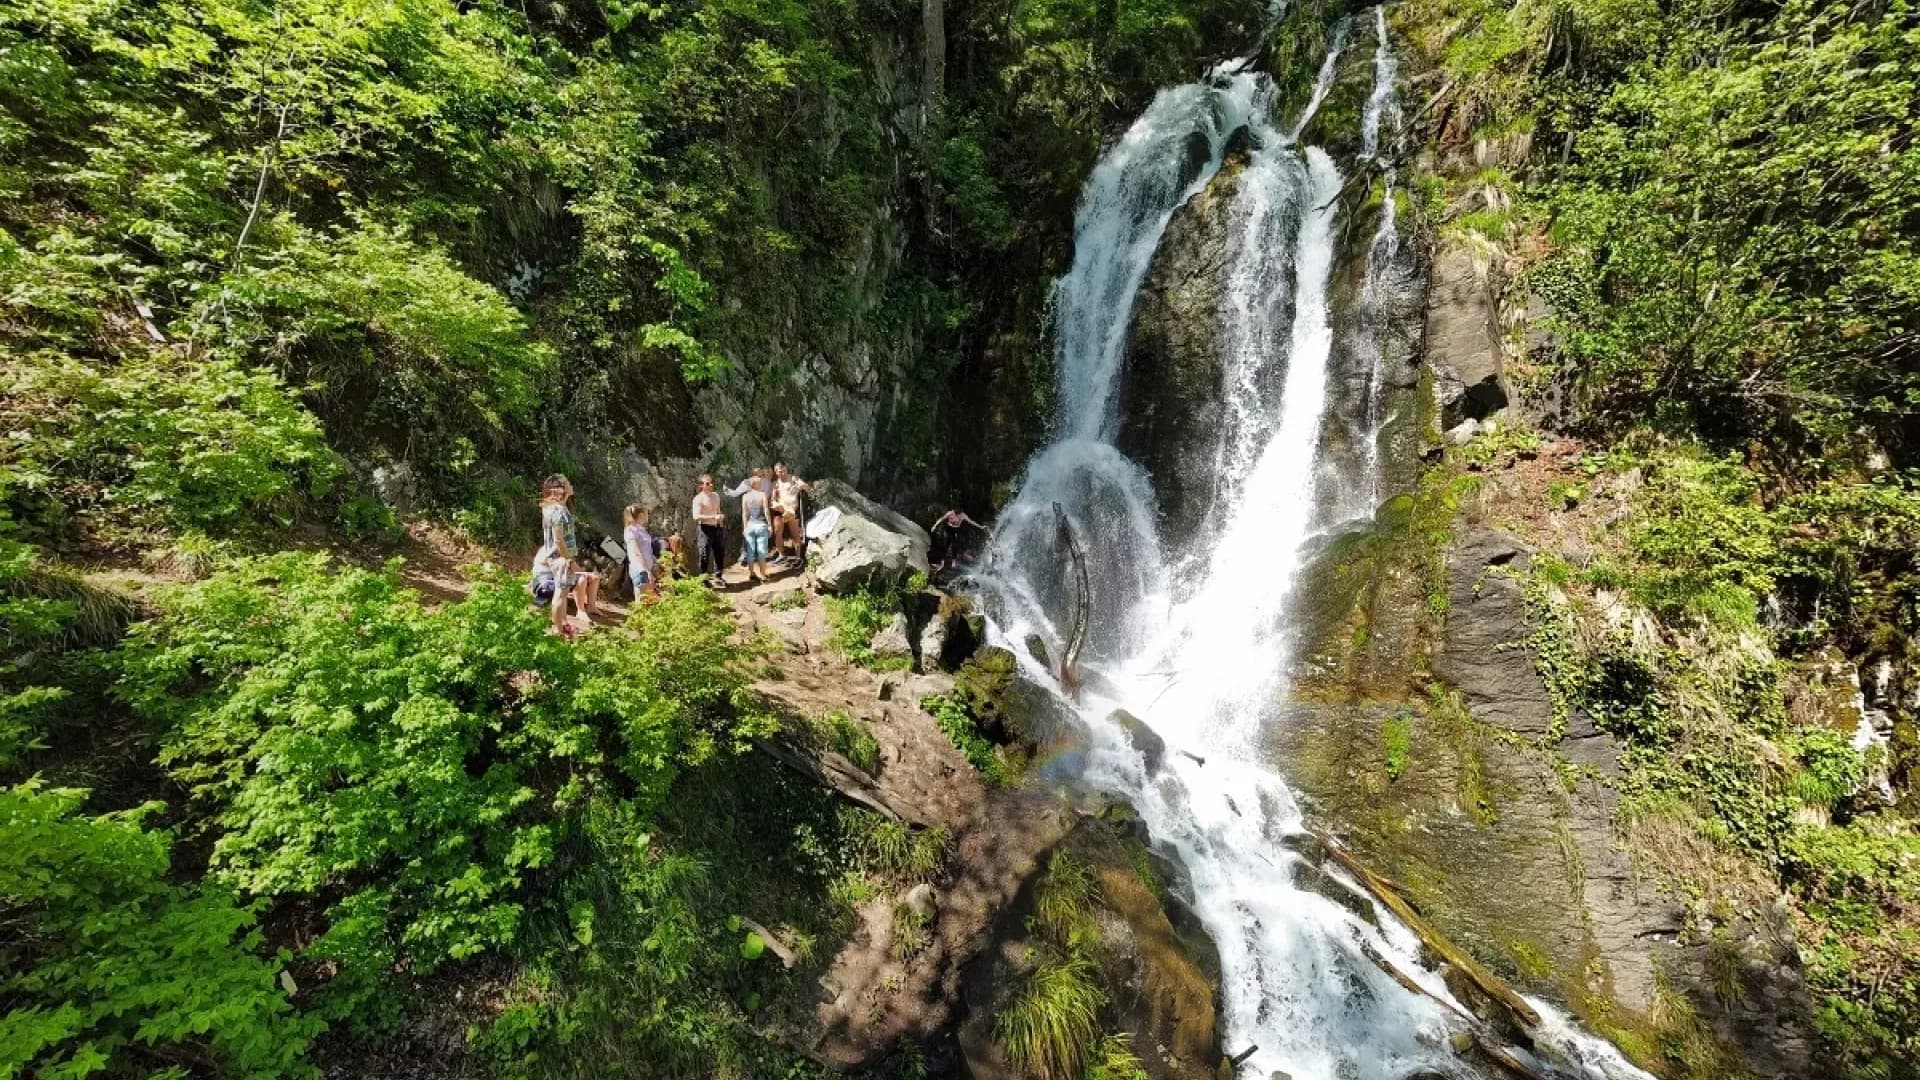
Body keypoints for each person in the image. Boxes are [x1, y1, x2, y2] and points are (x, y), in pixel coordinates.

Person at [538, 474, 600, 634]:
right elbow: (558, 540)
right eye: (567, 483)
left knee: (563, 593)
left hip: (557, 558)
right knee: (560, 594)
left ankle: (561, 626)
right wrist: (569, 560)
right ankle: (558, 631)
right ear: (559, 489)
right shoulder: (558, 511)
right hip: (561, 559)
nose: (571, 485)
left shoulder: (552, 508)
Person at [770, 462, 809, 565]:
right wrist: (776, 504)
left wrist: (801, 485)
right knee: (777, 531)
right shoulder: (775, 483)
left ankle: (798, 557)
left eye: (782, 469)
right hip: (780, 510)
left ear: (786, 468)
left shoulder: (793, 479)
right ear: (776, 472)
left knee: (795, 533)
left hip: (792, 510)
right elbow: (773, 499)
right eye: (778, 471)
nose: (780, 472)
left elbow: (807, 487)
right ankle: (781, 554)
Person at [691, 474, 726, 587]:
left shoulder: (716, 496)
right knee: (704, 554)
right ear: (701, 485)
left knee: (719, 553)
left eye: (711, 482)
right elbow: (696, 516)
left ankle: (718, 577)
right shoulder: (698, 499)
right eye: (707, 483)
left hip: (717, 527)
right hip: (704, 529)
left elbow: (718, 510)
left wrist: (720, 519)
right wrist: (713, 517)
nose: (710, 485)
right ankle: (703, 580)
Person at [739, 475, 775, 584]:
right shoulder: (762, 495)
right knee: (761, 551)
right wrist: (769, 524)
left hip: (750, 525)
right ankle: (763, 574)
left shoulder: (745, 497)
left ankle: (751, 573)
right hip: (761, 525)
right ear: (756, 484)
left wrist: (745, 527)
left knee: (750, 551)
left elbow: (744, 513)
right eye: (760, 483)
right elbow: (766, 510)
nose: (761, 484)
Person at [623, 503, 660, 601]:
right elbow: (636, 552)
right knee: (642, 604)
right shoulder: (631, 530)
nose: (648, 515)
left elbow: (647, 550)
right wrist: (646, 570)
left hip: (647, 568)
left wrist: (655, 562)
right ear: (641, 515)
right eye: (646, 512)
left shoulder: (641, 530)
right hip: (640, 570)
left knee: (649, 603)